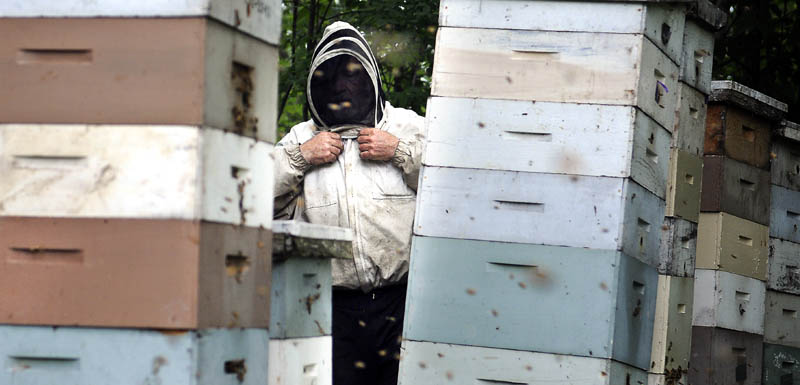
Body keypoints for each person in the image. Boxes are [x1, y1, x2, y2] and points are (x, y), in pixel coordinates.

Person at [272, 21, 425, 385]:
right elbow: (250, 195)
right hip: (331, 307)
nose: (342, 86)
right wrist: (300, 157)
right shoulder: (300, 137)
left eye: (352, 77)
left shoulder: (406, 126)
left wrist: (399, 151)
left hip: (402, 303)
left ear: (370, 77)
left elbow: (453, 191)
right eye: (333, 77)